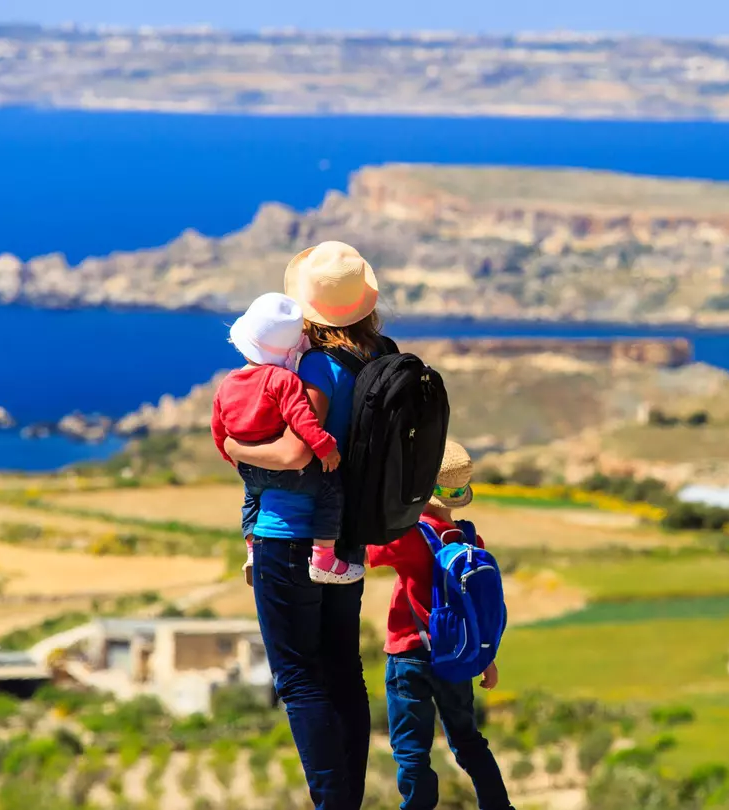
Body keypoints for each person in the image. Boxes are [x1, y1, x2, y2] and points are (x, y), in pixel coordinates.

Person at [221, 241, 381, 810]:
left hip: (289, 538)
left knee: (298, 680)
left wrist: (236, 445)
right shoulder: (374, 358)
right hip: (344, 538)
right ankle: (349, 799)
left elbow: (295, 452)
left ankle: (332, 803)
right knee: (344, 672)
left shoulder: (315, 366)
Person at [368, 441, 515, 810]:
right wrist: (486, 659)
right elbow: (477, 608)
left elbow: (366, 553)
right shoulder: (470, 539)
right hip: (458, 657)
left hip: (408, 655)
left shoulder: (409, 535)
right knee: (468, 741)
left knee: (411, 750)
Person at [211, 291, 362, 587]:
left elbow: (219, 428)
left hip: (249, 468)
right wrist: (324, 445)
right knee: (330, 489)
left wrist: (231, 455)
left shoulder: (228, 382)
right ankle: (323, 558)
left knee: (251, 499)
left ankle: (253, 549)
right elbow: (301, 418)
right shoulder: (284, 380)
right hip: (286, 471)